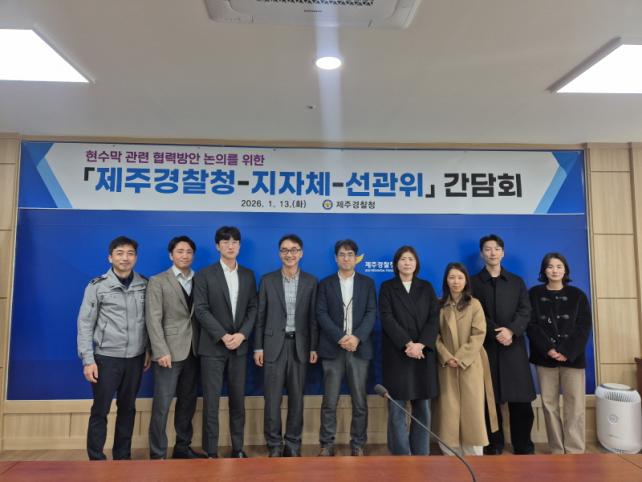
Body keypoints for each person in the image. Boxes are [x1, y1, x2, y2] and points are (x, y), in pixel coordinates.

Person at [76, 236, 151, 460]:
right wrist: (88, 360)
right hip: (106, 358)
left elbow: (149, 321)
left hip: (136, 358)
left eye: (130, 253)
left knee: (128, 408)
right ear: (110, 257)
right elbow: (85, 324)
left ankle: (122, 457)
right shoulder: (97, 286)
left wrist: (148, 350)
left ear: (136, 257)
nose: (125, 258)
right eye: (119, 253)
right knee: (100, 409)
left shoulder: (145, 285)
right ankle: (96, 458)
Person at [193, 226, 257, 458]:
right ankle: (211, 451)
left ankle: (237, 448)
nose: (231, 246)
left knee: (237, 400)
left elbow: (253, 308)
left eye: (235, 242)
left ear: (239, 246)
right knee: (211, 402)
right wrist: (222, 335)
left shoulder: (248, 275)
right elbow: (201, 310)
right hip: (213, 347)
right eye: (226, 242)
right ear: (217, 246)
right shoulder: (204, 274)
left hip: (239, 347)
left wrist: (242, 335)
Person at [470, 234, 536, 455]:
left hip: (513, 347)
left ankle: (523, 445)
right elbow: (475, 313)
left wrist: (511, 331)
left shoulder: (516, 281)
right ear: (482, 254)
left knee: (521, 402)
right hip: (487, 347)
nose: (493, 253)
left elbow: (525, 310)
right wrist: (495, 332)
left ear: (503, 252)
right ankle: (493, 444)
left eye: (497, 249)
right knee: (489, 400)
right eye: (488, 249)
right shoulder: (473, 282)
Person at [254, 234, 319, 457]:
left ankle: (292, 444)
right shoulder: (267, 280)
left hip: (300, 347)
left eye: (294, 250)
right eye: (284, 250)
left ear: (301, 253)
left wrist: (313, 347)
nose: (289, 254)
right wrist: (258, 347)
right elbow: (260, 316)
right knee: (272, 399)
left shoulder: (311, 281)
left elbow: (313, 318)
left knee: (297, 399)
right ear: (279, 253)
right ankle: (273, 444)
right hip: (273, 347)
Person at [146, 236, 205, 459]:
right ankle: (158, 452)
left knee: (188, 402)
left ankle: (182, 448)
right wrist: (160, 350)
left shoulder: (201, 279)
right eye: (180, 251)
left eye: (189, 252)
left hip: (194, 351)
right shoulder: (158, 281)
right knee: (162, 404)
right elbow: (153, 319)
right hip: (168, 352)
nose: (185, 255)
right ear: (171, 255)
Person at [316, 239, 376, 456]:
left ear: (356, 258)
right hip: (333, 349)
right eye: (342, 254)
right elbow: (321, 313)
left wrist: (357, 338)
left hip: (359, 349)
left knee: (359, 401)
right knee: (329, 400)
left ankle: (358, 444)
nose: (346, 258)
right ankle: (326, 444)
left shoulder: (367, 283)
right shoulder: (326, 284)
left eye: (350, 254)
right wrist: (341, 337)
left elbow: (371, 312)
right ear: (336, 258)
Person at [528, 252, 592, 454]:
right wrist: (549, 349)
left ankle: (574, 449)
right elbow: (531, 325)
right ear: (543, 270)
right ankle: (556, 449)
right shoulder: (534, 294)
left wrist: (565, 351)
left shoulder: (578, 295)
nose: (554, 270)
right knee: (549, 404)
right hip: (544, 358)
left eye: (559, 266)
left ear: (565, 270)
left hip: (572, 358)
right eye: (550, 266)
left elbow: (584, 327)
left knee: (575, 404)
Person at [379, 246, 439, 455]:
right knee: (397, 408)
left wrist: (420, 344)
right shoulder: (387, 287)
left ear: (416, 263)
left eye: (411, 259)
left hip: (422, 354)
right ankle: (401, 454)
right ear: (396, 264)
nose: (407, 263)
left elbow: (434, 318)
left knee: (422, 408)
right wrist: (407, 344)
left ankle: (421, 452)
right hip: (398, 353)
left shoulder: (426, 287)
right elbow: (387, 318)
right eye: (403, 259)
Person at [434, 262, 497, 456]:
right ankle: (450, 452)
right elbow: (434, 336)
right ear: (446, 280)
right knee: (448, 408)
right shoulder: (439, 305)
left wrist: (460, 357)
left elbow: (479, 334)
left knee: (472, 409)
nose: (456, 281)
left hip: (470, 363)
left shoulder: (474, 304)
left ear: (466, 281)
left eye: (460, 278)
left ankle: (474, 453)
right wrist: (447, 357)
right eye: (452, 277)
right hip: (446, 365)